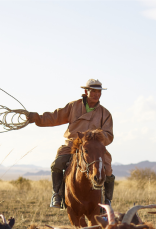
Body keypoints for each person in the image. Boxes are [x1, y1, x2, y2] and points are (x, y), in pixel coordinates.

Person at [26, 79, 115, 208]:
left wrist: (96, 137)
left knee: (107, 167)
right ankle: (56, 194)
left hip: (95, 148)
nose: (96, 94)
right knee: (57, 164)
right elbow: (56, 117)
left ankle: (107, 200)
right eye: (93, 91)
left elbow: (109, 135)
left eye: (99, 92)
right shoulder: (73, 106)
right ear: (86, 91)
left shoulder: (105, 114)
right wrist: (38, 118)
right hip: (72, 144)